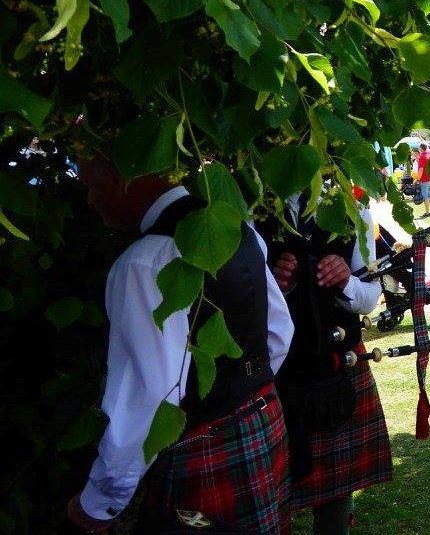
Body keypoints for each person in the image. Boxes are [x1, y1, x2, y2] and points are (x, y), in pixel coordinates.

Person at [68, 155, 294, 534]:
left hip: (202, 450)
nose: (90, 199)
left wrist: (101, 502)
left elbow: (151, 398)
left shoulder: (143, 263)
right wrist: (245, 397)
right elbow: (279, 333)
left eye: (89, 183)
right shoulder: (237, 228)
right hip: (262, 419)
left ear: (114, 174)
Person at [258, 190, 392, 535]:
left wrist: (346, 281)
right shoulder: (251, 207)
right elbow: (239, 298)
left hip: (337, 371)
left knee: (336, 495)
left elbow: (370, 297)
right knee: (269, 495)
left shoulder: (352, 209)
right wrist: (275, 286)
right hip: (274, 375)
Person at [416, 145, 430, 217]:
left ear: (421, 149)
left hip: (424, 179)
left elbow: (421, 170)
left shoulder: (422, 157)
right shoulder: (429, 155)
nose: (418, 149)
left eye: (419, 148)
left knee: (425, 196)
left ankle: (427, 213)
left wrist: (418, 179)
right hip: (429, 178)